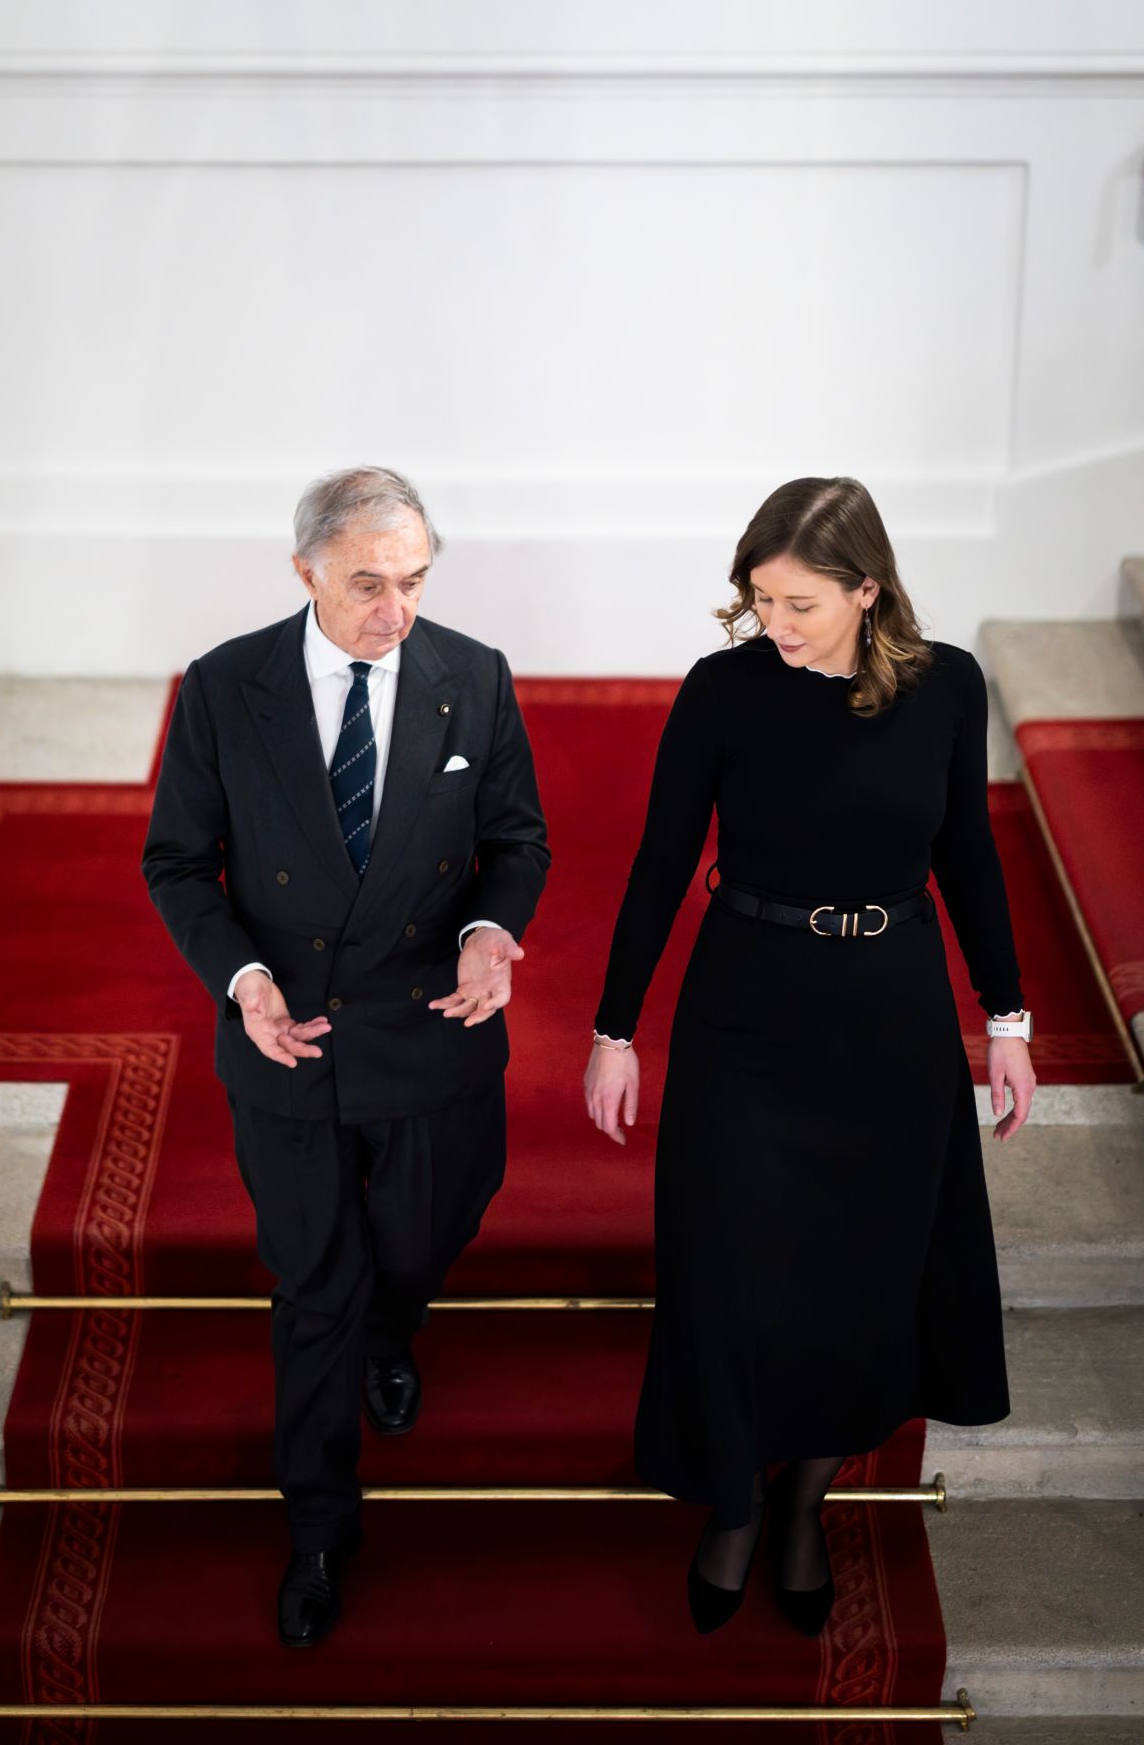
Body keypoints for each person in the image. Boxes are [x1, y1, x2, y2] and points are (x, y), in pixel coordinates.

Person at [584, 476, 1035, 1638]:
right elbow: (659, 861)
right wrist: (614, 1028)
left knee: (857, 1278)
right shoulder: (723, 692)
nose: (773, 624)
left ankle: (801, 1508)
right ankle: (733, 1503)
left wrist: (1009, 1021)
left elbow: (972, 860)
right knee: (731, 1269)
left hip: (889, 1020)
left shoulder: (946, 690)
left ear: (867, 589)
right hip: (746, 1008)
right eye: (760, 599)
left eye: (798, 602)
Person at [143, 466, 549, 1646]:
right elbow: (177, 862)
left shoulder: (472, 676)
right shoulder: (227, 686)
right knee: (312, 1285)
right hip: (290, 1038)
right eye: (368, 582)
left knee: (429, 1227)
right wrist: (243, 977)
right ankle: (320, 1526)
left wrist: (486, 931)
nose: (395, 609)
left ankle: (393, 1326)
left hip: (435, 1027)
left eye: (414, 579)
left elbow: (515, 837)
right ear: (306, 569)